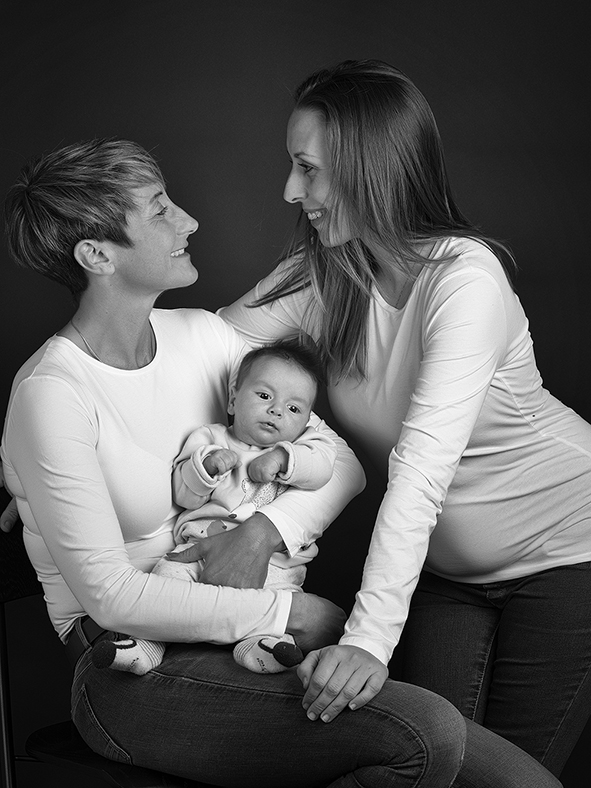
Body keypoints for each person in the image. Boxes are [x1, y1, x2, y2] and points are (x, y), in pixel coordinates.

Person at [0, 137, 562, 788]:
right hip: (129, 671)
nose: (189, 220)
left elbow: (339, 462)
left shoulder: (203, 339)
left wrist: (266, 531)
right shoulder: (51, 395)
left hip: (249, 642)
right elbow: (112, 596)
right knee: (425, 733)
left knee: (501, 772)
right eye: (159, 209)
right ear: (97, 255)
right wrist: (289, 614)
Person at [215, 58, 591, 778]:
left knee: (503, 778)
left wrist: (366, 642)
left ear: (369, 170)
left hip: (570, 549)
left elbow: (418, 472)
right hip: (447, 573)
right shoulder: (331, 274)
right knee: (423, 764)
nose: (290, 190)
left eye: (308, 169)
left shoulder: (464, 280)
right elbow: (206, 346)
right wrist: (64, 425)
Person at [92, 339, 338, 676]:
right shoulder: (210, 439)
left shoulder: (305, 447)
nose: (277, 411)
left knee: (277, 601)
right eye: (264, 396)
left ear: (308, 420)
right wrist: (207, 469)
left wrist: (283, 458)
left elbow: (323, 468)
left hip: (275, 566)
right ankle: (146, 644)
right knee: (167, 580)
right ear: (233, 399)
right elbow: (183, 495)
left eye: (294, 409)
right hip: (198, 550)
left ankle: (262, 646)